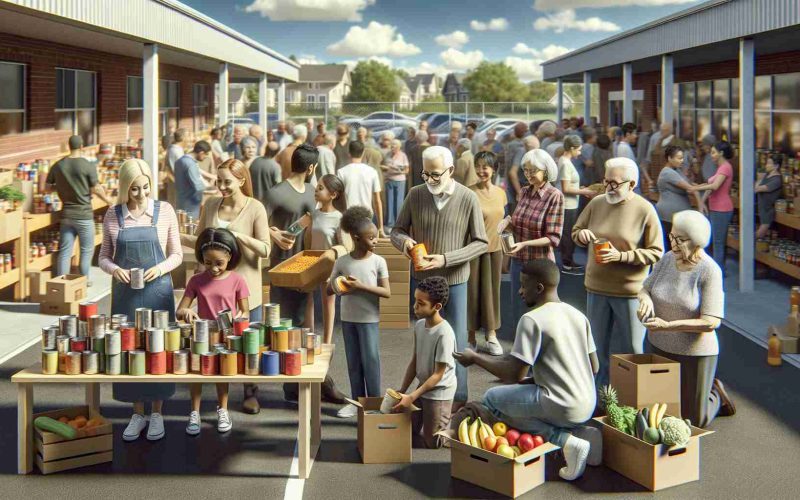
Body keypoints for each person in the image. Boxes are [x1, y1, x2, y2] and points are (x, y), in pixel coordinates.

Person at [454, 259, 601, 481]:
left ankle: (565, 441)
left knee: (492, 399)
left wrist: (475, 357)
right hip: (588, 403)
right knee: (523, 398)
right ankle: (580, 433)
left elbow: (514, 374)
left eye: (524, 285)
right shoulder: (578, 315)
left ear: (539, 288)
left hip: (561, 405)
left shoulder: (532, 319)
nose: (520, 291)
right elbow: (594, 366)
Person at [391, 146, 489, 411]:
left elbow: (481, 242)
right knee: (424, 340)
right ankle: (427, 397)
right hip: (423, 282)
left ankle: (458, 400)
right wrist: (406, 243)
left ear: (451, 171)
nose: (430, 180)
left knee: (456, 342)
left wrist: (446, 259)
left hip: (454, 281)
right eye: (425, 174)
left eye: (435, 175)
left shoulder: (468, 198)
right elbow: (396, 231)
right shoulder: (415, 194)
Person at [99, 159, 182, 442]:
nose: (142, 194)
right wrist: (115, 270)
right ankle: (137, 414)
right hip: (126, 296)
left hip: (158, 292)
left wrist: (160, 268)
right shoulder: (112, 215)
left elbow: (177, 255)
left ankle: (157, 413)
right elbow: (103, 258)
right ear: (125, 188)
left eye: (146, 187)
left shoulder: (165, 211)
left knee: (157, 351)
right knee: (130, 349)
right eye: (135, 189)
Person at [183, 159, 272, 413]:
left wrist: (239, 237)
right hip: (213, 287)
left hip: (245, 288)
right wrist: (173, 236)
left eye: (227, 182)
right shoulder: (211, 204)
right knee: (215, 340)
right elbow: (201, 240)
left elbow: (266, 249)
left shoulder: (255, 208)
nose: (221, 186)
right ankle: (216, 394)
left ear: (242, 180)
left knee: (248, 342)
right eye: (218, 181)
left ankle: (250, 392)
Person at [638, 210, 735, 428]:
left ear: (698, 241)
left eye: (680, 239)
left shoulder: (709, 270)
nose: (673, 243)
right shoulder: (666, 260)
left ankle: (715, 395)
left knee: (694, 421)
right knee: (661, 412)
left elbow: (711, 322)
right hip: (658, 344)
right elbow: (644, 288)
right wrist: (645, 301)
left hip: (694, 351)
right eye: (672, 236)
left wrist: (668, 326)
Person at [572, 157, 664, 386]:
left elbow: (656, 252)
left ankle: (635, 397)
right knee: (596, 348)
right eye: (606, 182)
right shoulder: (596, 203)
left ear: (631, 184)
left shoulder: (645, 210)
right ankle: (599, 397)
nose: (609, 188)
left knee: (633, 350)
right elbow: (577, 230)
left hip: (630, 292)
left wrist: (622, 256)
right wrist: (581, 236)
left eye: (615, 183)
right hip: (596, 287)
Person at [178, 228, 249, 435]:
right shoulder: (196, 280)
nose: (213, 268)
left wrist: (240, 318)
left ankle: (223, 410)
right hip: (201, 335)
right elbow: (180, 309)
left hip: (225, 336)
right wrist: (187, 312)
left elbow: (245, 310)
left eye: (219, 263)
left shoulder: (237, 280)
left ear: (230, 257)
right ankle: (194, 412)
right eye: (208, 263)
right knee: (196, 375)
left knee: (222, 373)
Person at [328, 206, 391, 418]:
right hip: (348, 319)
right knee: (353, 362)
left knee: (371, 360)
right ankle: (356, 401)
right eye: (371, 237)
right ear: (356, 238)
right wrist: (339, 284)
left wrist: (360, 286)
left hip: (369, 319)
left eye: (375, 237)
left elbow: (386, 292)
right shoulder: (343, 262)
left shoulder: (378, 261)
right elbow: (329, 288)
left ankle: (374, 403)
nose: (375, 241)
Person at [498, 149, 564, 331]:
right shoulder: (525, 191)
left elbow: (553, 238)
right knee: (518, 311)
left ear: (546, 171)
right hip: (519, 263)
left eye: (533, 171)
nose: (528, 175)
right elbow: (519, 224)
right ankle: (520, 353)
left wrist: (524, 243)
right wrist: (507, 223)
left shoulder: (555, 196)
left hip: (540, 266)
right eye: (525, 170)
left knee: (540, 314)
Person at [394, 276, 457, 448]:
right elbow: (414, 361)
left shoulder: (444, 334)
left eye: (421, 303)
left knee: (432, 441)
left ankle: (456, 423)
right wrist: (402, 391)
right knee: (409, 429)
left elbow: (438, 375)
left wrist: (412, 397)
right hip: (423, 386)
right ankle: (437, 418)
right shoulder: (420, 325)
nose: (415, 307)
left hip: (439, 392)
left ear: (437, 307)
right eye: (415, 300)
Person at [46, 135, 112, 278]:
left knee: (65, 252)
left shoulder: (58, 165)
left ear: (69, 146)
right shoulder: (88, 165)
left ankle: (61, 282)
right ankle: (84, 282)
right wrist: (108, 201)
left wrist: (62, 187)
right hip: (84, 215)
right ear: (82, 146)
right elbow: (96, 188)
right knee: (86, 250)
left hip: (66, 216)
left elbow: (47, 187)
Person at [468, 152, 506, 356]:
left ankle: (491, 335)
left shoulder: (501, 193)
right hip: (474, 250)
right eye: (478, 166)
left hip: (496, 250)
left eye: (486, 167)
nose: (481, 171)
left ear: (494, 169)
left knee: (493, 294)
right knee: (473, 293)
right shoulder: (468, 192)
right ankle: (471, 337)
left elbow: (502, 220)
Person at [306, 174, 351, 344]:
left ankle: (327, 342)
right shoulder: (313, 215)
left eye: (320, 188)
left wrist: (332, 254)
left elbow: (346, 247)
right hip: (310, 265)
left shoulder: (339, 218)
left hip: (328, 268)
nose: (316, 191)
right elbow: (307, 240)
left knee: (328, 306)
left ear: (333, 195)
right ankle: (308, 339)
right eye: (316, 187)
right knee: (308, 303)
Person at [687, 141, 735, 274]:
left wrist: (696, 188)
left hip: (722, 208)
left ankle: (717, 273)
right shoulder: (720, 168)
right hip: (716, 207)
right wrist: (701, 202)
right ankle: (720, 269)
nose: (711, 155)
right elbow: (710, 187)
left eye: (713, 152)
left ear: (721, 153)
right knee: (718, 241)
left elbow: (714, 186)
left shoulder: (725, 167)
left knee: (718, 242)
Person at [558, 135, 597, 274]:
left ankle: (568, 261)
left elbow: (569, 185)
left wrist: (581, 189)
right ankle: (567, 263)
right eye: (579, 150)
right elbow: (565, 188)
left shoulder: (565, 162)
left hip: (572, 203)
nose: (580, 153)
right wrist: (583, 191)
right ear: (572, 149)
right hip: (568, 205)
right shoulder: (565, 163)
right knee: (568, 234)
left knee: (569, 233)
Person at [337, 141, 385, 237]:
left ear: (349, 153)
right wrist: (381, 227)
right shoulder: (372, 172)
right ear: (363, 153)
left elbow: (338, 200)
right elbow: (377, 201)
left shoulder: (341, 172)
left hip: (348, 216)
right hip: (366, 216)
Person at [656, 145, 701, 246]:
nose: (682, 160)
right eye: (679, 158)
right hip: (669, 217)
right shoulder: (667, 172)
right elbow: (690, 188)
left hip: (676, 216)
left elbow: (691, 185)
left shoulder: (677, 170)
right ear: (669, 158)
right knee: (673, 247)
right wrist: (701, 205)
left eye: (682, 158)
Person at [174, 141, 212, 219]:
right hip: (191, 205)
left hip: (181, 201)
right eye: (206, 154)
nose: (205, 157)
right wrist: (211, 189)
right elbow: (198, 186)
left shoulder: (180, 161)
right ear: (201, 153)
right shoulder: (191, 164)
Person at [506, 135, 541, 212]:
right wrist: (519, 192)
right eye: (534, 149)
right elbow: (512, 172)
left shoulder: (529, 153)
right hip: (517, 190)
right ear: (527, 146)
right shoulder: (522, 151)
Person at [382, 138, 409, 230]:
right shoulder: (388, 155)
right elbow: (383, 166)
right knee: (390, 201)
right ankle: (390, 223)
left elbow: (406, 170)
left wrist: (397, 170)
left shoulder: (403, 155)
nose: (392, 147)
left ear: (399, 147)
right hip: (389, 180)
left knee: (399, 202)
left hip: (400, 180)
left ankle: (398, 223)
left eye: (394, 146)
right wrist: (386, 169)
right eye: (391, 145)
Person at [755, 154, 784, 239]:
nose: (766, 165)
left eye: (769, 163)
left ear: (776, 166)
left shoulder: (777, 180)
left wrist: (758, 183)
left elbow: (758, 188)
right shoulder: (766, 175)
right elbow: (756, 186)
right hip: (761, 209)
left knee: (759, 235)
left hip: (767, 212)